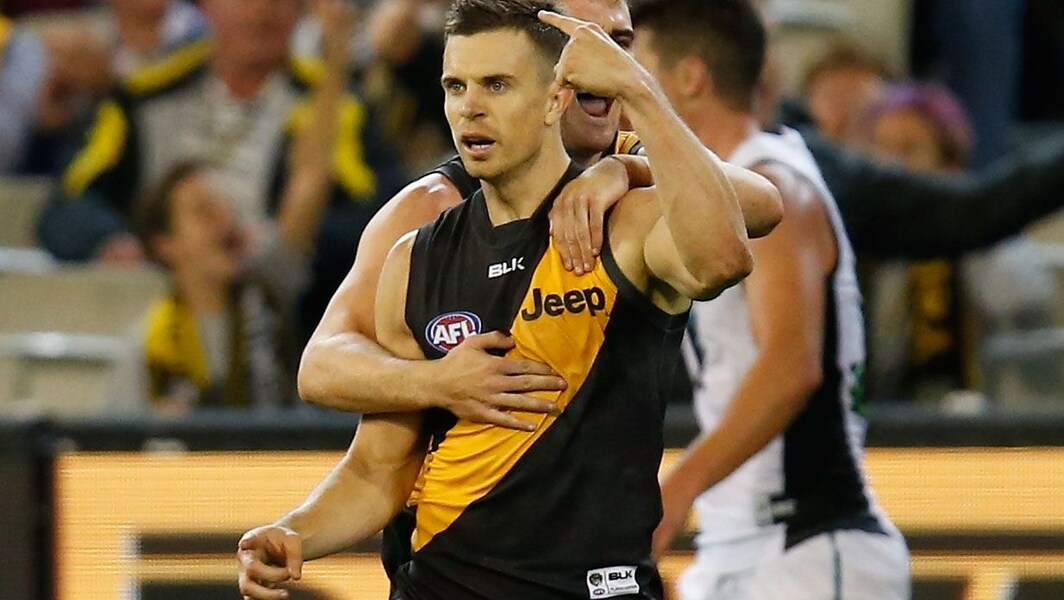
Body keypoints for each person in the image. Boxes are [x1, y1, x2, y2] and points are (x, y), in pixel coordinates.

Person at [237, 2, 780, 599]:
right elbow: (377, 469)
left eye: (496, 85)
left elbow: (724, 256)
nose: (469, 106)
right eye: (455, 86)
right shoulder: (415, 252)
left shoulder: (627, 221)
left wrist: (639, 104)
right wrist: (294, 532)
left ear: (555, 99)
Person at [296, 0, 781, 427]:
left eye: (619, 45)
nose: (605, 64)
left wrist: (624, 169)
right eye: (583, 42)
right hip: (460, 490)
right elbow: (322, 364)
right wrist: (436, 382)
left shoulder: (631, 151)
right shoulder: (438, 203)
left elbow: (761, 203)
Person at [633, 2, 910, 599]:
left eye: (642, 68)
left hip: (806, 542)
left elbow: (791, 365)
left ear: (690, 78)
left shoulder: (773, 186)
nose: (629, 90)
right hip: (741, 545)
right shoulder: (713, 190)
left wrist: (674, 492)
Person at [36, 0, 408, 337]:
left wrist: (286, 241)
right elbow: (66, 204)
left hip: (283, 316)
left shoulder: (337, 108)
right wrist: (111, 241)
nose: (260, 11)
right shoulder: (142, 97)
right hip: (145, 311)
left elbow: (389, 218)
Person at [133, 1, 353, 413]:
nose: (224, 221)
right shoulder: (145, 339)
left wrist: (336, 60)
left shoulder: (267, 282)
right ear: (164, 244)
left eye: (224, 208)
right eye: (203, 211)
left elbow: (310, 178)